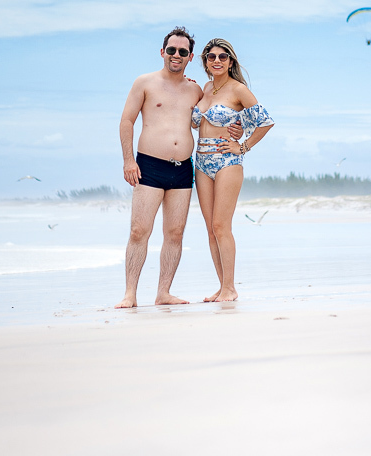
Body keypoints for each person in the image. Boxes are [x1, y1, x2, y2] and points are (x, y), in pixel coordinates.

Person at [115, 27, 240, 308]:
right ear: (162, 52)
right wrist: (128, 160)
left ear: (190, 56)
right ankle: (130, 293)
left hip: (183, 168)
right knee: (139, 231)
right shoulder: (144, 83)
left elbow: (218, 110)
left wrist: (237, 127)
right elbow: (126, 121)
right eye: (171, 50)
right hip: (149, 165)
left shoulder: (196, 89)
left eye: (183, 52)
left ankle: (163, 293)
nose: (176, 55)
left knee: (174, 234)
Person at [192, 38, 274, 302]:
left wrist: (244, 146)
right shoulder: (205, 89)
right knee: (210, 229)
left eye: (223, 57)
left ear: (231, 61)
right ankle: (222, 286)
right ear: (205, 61)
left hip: (227, 161)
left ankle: (231, 288)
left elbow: (265, 122)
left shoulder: (238, 89)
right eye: (211, 56)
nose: (217, 60)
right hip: (201, 162)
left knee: (221, 225)